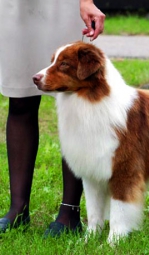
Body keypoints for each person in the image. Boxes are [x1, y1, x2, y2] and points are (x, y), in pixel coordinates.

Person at [0, 0, 105, 236]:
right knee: (19, 98)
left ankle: (69, 213)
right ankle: (18, 209)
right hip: (13, 6)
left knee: (75, 99)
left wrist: (86, 1)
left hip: (64, 5)